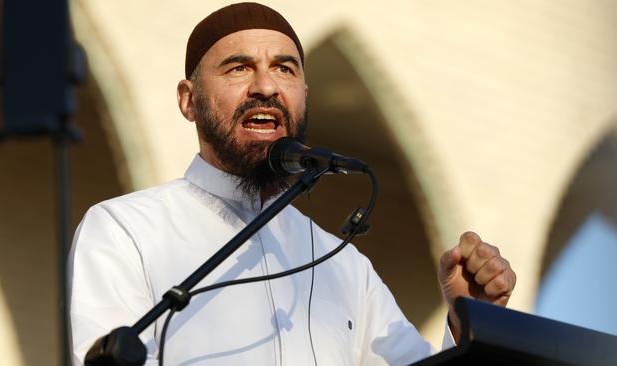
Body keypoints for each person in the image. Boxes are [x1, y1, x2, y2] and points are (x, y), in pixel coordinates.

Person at [68, 2, 516, 365]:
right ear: (188, 100)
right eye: (238, 68)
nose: (266, 86)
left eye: (285, 69)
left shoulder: (346, 268)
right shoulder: (126, 230)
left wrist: (470, 322)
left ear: (304, 95)